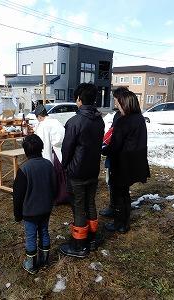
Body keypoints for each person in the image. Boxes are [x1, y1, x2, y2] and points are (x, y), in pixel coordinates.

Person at [59, 83, 105, 258]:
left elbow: (67, 149)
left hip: (77, 171)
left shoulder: (74, 122)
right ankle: (92, 239)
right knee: (90, 203)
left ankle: (79, 245)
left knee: (79, 206)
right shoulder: (99, 120)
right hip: (93, 169)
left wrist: (66, 166)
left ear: (79, 99)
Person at [101, 87, 150, 233]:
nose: (117, 106)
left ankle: (119, 223)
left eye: (119, 103)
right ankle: (124, 222)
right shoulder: (139, 119)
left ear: (125, 104)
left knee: (118, 195)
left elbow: (115, 146)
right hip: (134, 162)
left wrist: (102, 150)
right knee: (125, 194)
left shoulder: (124, 121)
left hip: (122, 164)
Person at [13, 134, 57, 274]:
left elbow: (17, 196)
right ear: (42, 148)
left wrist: (18, 214)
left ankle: (31, 265)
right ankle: (44, 260)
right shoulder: (48, 165)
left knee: (31, 236)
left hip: (30, 212)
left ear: (25, 151)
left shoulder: (24, 170)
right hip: (46, 209)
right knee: (44, 231)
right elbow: (54, 186)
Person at [99, 108, 121, 218]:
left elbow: (114, 137)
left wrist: (104, 149)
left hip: (116, 158)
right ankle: (115, 208)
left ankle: (115, 209)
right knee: (114, 184)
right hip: (117, 157)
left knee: (114, 184)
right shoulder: (122, 115)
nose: (115, 103)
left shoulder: (122, 117)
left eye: (117, 100)